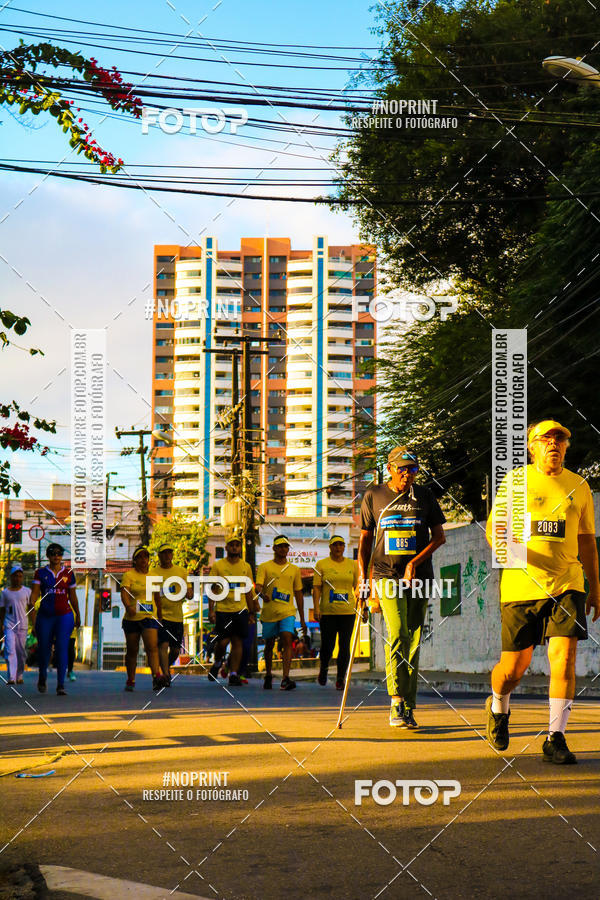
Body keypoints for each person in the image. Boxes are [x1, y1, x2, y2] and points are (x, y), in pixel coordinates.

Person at [485, 420, 600, 764]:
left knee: (563, 658)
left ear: (567, 447)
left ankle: (555, 737)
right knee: (513, 670)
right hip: (522, 587)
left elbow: (586, 541)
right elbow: (496, 533)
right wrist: (518, 555)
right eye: (545, 438)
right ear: (531, 447)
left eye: (560, 439)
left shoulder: (578, 486)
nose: (554, 443)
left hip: (567, 584)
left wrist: (594, 587)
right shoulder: (516, 482)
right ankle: (498, 705)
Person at [358, 447, 446, 729]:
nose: (407, 474)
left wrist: (414, 563)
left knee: (414, 638)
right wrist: (365, 581)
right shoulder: (373, 495)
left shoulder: (425, 496)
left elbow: (439, 537)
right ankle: (396, 700)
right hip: (386, 575)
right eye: (402, 469)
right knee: (397, 633)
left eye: (412, 469)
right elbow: (364, 544)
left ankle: (408, 704)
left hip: (419, 576)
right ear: (390, 469)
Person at [29, 544, 81, 696]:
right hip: (45, 616)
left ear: (62, 556)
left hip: (64, 615)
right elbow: (35, 593)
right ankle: (42, 677)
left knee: (62, 647)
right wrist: (32, 602)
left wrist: (77, 614)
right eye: (53, 553)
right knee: (44, 648)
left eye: (59, 553)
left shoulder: (69, 573)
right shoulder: (40, 573)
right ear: (48, 556)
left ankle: (60, 684)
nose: (56, 556)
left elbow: (73, 597)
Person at [256, 535, 306, 691]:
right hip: (270, 612)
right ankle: (269, 674)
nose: (283, 549)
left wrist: (302, 619)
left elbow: (298, 594)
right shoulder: (265, 567)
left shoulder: (294, 569)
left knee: (287, 638)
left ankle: (285, 677)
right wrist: (263, 595)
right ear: (274, 548)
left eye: (286, 546)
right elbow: (257, 586)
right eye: (280, 546)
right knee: (269, 644)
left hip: (288, 612)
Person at [207, 532, 256, 687]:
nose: (235, 548)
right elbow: (213, 589)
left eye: (237, 545)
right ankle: (217, 663)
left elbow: (249, 590)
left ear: (240, 548)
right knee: (222, 643)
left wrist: (251, 612)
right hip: (223, 610)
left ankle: (234, 674)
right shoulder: (218, 566)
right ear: (227, 547)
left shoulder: (246, 567)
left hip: (240, 610)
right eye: (232, 545)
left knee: (237, 642)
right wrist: (211, 610)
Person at [313, 535, 359, 690]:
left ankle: (341, 678)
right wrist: (317, 608)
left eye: (341, 545)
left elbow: (357, 588)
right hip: (328, 612)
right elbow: (317, 588)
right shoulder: (321, 564)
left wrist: (362, 609)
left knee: (345, 645)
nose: (338, 548)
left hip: (348, 612)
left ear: (344, 547)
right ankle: (324, 669)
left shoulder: (352, 565)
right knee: (328, 645)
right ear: (330, 547)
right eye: (335, 545)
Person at [120, 546, 164, 692]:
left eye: (146, 557)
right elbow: (124, 593)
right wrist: (128, 606)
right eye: (140, 557)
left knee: (152, 647)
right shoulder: (129, 575)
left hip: (149, 617)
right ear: (135, 560)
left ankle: (156, 677)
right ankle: (131, 679)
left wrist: (160, 616)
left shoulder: (153, 577)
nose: (143, 560)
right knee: (132, 650)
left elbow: (157, 597)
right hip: (132, 617)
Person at [150, 543, 192, 687]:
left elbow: (189, 591)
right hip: (160, 616)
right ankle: (166, 674)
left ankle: (165, 667)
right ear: (159, 556)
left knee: (175, 649)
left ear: (172, 555)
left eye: (169, 553)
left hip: (177, 616)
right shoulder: (153, 573)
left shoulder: (181, 572)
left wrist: (189, 593)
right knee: (163, 644)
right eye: (164, 553)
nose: (167, 556)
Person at [0, 563, 31, 685]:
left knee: (20, 652)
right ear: (11, 577)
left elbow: (31, 608)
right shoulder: (5, 593)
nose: (17, 578)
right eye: (15, 576)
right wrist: (1, 624)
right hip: (9, 625)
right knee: (10, 650)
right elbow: (2, 610)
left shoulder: (27, 591)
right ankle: (11, 677)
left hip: (22, 626)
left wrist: (35, 623)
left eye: (19, 576)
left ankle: (19, 675)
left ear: (22, 578)